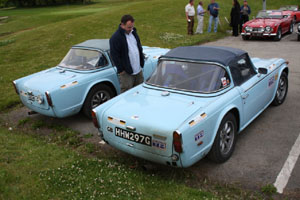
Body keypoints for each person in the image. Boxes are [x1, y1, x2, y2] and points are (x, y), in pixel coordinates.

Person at [109, 15, 145, 93]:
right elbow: (114, 55)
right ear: (122, 25)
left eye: (132, 27)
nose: (131, 29)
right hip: (126, 73)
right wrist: (121, 70)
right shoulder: (115, 38)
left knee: (140, 92)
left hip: (138, 70)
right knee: (127, 95)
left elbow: (139, 48)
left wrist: (141, 62)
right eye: (129, 27)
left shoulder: (134, 33)